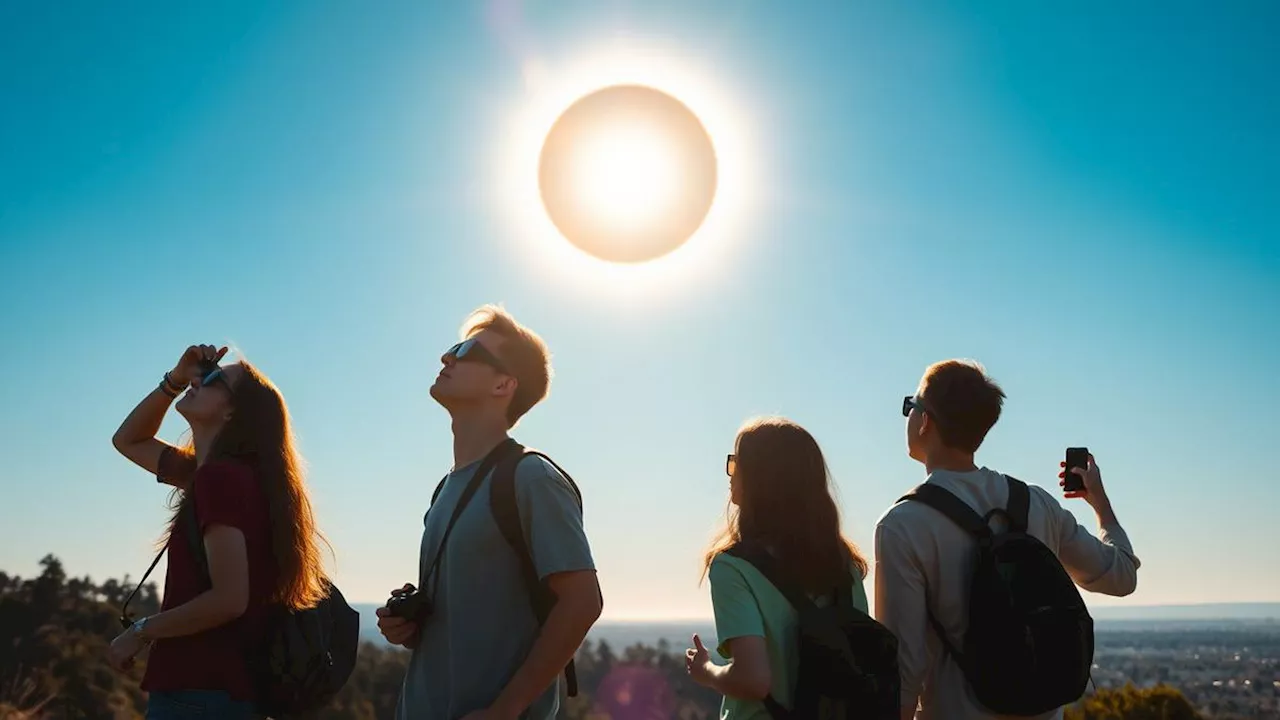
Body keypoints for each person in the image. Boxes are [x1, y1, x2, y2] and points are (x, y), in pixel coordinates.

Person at [875, 359, 1141, 720]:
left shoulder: (903, 525)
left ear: (925, 421)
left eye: (911, 405)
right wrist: (1101, 504)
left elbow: (902, 675)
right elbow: (1122, 576)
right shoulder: (1036, 504)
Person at [377, 305, 602, 720]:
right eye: (451, 348)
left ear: (504, 384)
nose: (448, 357)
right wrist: (409, 625)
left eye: (466, 350)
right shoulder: (445, 489)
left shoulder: (531, 478)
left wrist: (504, 711)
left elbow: (583, 602)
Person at [108, 344, 331, 719]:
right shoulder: (220, 475)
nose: (198, 379)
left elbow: (228, 599)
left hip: (197, 696)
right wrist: (174, 381)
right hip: (226, 695)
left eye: (212, 379)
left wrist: (140, 631)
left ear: (233, 411)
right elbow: (128, 441)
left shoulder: (219, 479)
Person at [686, 417, 873, 718]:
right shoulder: (844, 564)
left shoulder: (733, 568)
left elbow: (753, 680)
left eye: (736, 462)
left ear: (760, 478)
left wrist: (706, 671)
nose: (730, 474)